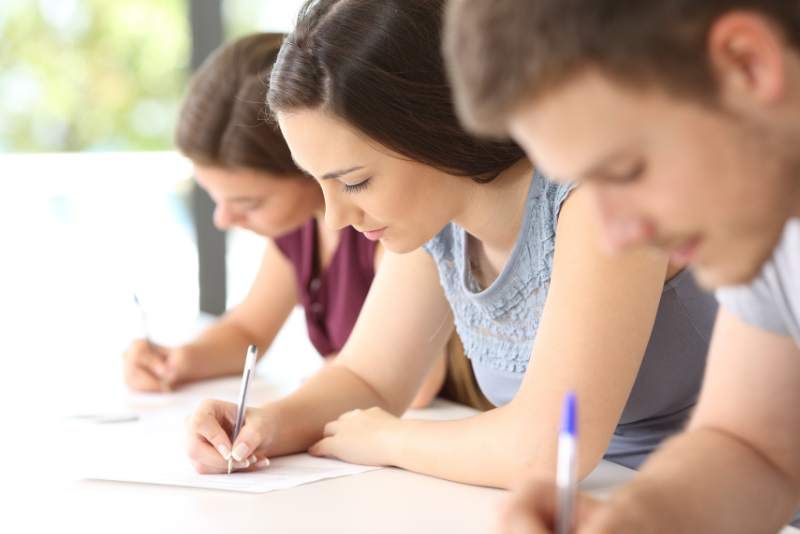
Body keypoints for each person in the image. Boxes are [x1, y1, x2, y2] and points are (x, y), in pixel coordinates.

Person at [183, 0, 716, 486]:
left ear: (430, 128)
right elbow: (367, 378)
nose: (336, 218)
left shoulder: (596, 195)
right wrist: (261, 425)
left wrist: (389, 439)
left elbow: (546, 449)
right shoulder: (437, 222)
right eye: (320, 183)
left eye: (354, 182)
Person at [443, 0, 800, 531]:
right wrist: (635, 519)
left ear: (747, 64)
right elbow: (752, 449)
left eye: (625, 171)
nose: (614, 235)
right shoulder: (767, 218)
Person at [122, 32, 450, 409]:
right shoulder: (299, 230)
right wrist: (179, 360)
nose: (223, 219)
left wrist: (339, 382)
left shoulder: (387, 227)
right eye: (215, 198)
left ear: (309, 165)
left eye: (249, 202)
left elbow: (417, 384)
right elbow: (248, 329)